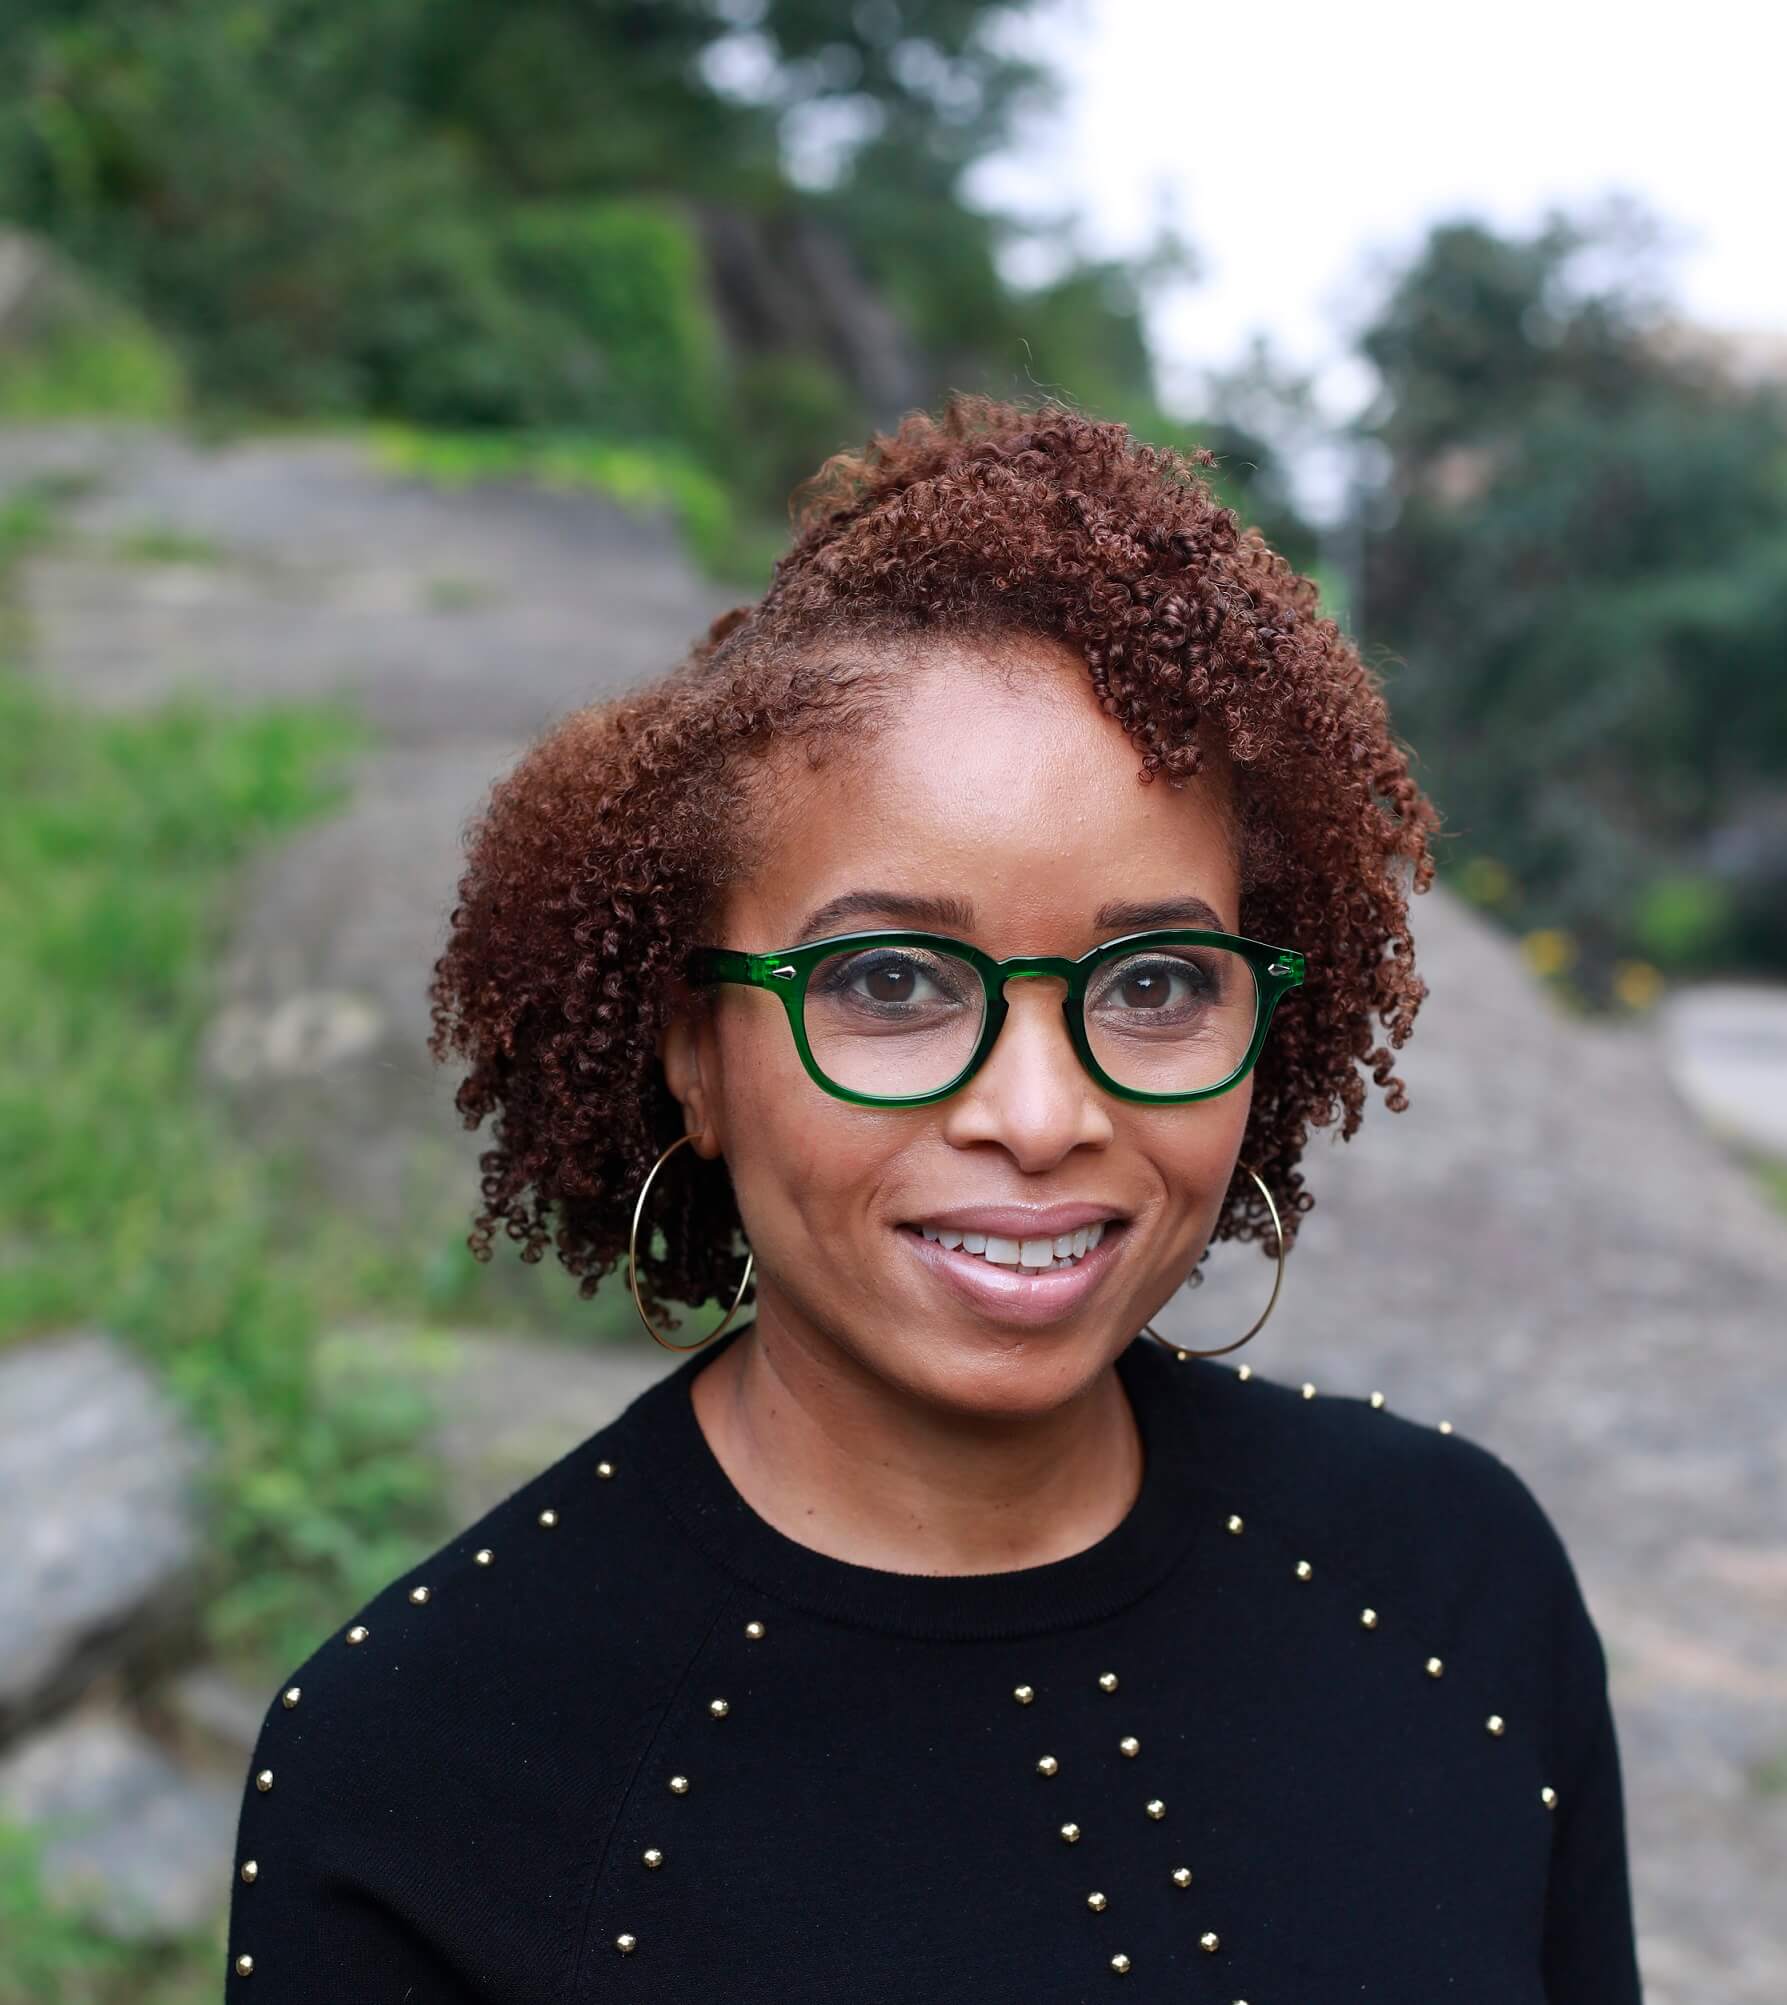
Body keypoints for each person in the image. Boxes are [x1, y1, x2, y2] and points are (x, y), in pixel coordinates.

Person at [222, 396, 1642, 2000]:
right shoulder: (409, 1773)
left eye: (1158, 979)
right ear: (696, 1052)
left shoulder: (1460, 1581)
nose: (1043, 1115)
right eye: (891, 978)